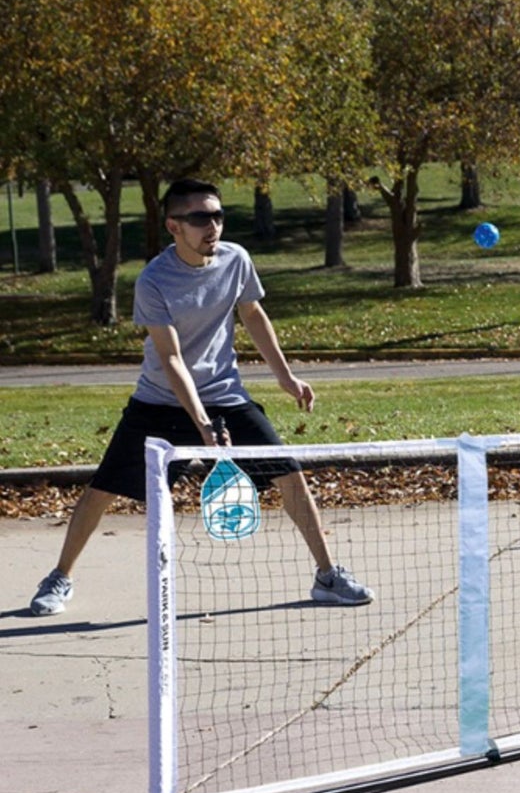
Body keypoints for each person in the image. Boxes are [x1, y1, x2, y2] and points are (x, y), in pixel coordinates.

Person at [29, 179, 373, 616]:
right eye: (199, 218)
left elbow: (253, 314)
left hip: (225, 396)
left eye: (217, 215)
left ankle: (327, 576)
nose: (212, 226)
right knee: (104, 489)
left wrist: (285, 378)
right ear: (174, 226)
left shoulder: (236, 260)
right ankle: (60, 576)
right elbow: (171, 359)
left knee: (289, 473)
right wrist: (202, 426)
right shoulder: (154, 280)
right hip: (158, 401)